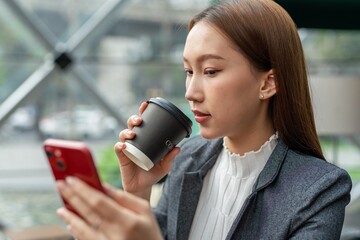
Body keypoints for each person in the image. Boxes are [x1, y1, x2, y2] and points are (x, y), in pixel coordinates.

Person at [55, 0, 352, 239]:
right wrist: (138, 193)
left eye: (210, 71)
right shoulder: (188, 159)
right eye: (188, 71)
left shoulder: (320, 190)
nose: (191, 93)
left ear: (267, 84)